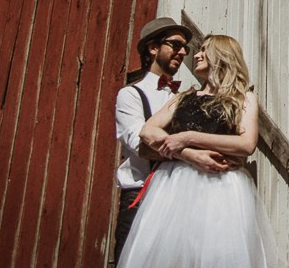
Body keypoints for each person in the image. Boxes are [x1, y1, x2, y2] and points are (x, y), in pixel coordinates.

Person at [117, 34, 279, 268]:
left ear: (222, 56)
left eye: (204, 50)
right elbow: (147, 130)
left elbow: (246, 145)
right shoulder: (183, 97)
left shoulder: (243, 98)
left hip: (222, 189)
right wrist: (183, 151)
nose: (197, 54)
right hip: (174, 188)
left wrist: (188, 138)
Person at [114, 17, 232, 260]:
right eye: (175, 45)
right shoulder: (131, 95)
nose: (182, 52)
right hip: (140, 197)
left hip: (179, 198)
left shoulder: (186, 96)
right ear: (153, 48)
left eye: (185, 48)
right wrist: (191, 155)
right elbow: (141, 146)